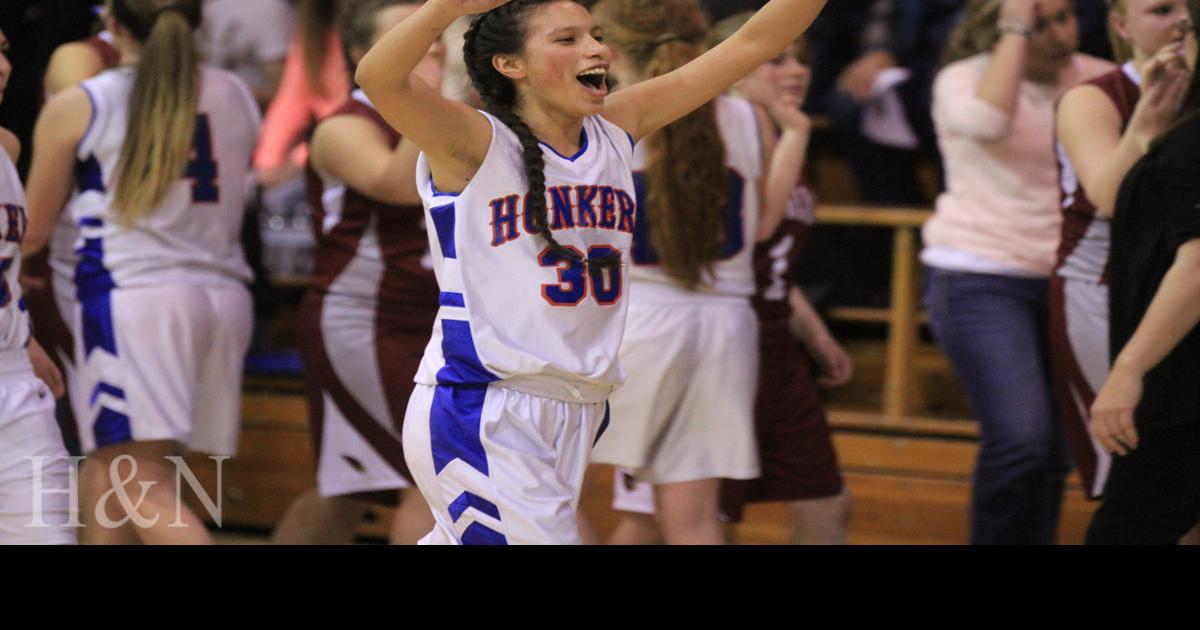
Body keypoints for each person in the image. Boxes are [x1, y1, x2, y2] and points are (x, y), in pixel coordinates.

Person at [355, 0, 828, 545]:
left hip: (576, 408)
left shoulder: (616, 130)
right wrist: (447, 8)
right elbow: (378, 77)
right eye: (568, 39)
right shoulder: (471, 141)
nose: (596, 49)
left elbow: (753, 42)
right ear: (512, 65)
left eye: (596, 35)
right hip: (485, 407)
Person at [22, 0, 261, 544]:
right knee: (116, 468)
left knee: (140, 480)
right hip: (224, 298)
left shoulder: (84, 102)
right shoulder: (238, 93)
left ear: (112, 24)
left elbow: (33, 230)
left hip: (135, 300)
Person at [921, 0, 1112, 544]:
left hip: (1070, 275)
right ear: (1002, 25)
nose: (1058, 33)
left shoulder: (1098, 78)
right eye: (1040, 22)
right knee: (1020, 434)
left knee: (1055, 450)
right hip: (978, 272)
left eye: (1065, 17)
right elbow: (985, 122)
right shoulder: (965, 78)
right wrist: (1013, 27)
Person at [583, 0, 772, 546]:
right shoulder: (746, 116)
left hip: (636, 320)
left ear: (610, 46)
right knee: (693, 521)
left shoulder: (607, 119)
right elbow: (762, 230)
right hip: (727, 325)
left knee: (542, 490)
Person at [272, 0, 442, 546]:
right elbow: (395, 185)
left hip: (430, 318)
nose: (432, 44)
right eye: (413, 36)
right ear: (363, 54)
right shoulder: (343, 124)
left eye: (436, 36)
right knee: (433, 476)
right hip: (364, 319)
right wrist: (427, 97)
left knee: (346, 486)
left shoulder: (446, 118)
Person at [1051, 0, 1190, 500]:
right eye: (1159, 9)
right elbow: (1110, 199)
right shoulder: (1092, 97)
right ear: (1120, 25)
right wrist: (1147, 123)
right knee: (1134, 471)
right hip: (1101, 290)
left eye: (1187, 8)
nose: (1179, 20)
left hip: (1177, 288)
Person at [1086, 2, 1198, 545]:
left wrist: (1129, 370)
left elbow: (1198, 264)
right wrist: (1151, 119)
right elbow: (1107, 197)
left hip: (1181, 386)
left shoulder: (1191, 144)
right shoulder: (1168, 129)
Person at [0, 26, 75, 545]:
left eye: (3, 50)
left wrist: (22, 337)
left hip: (14, 384)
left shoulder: (6, 146)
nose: (3, 67)